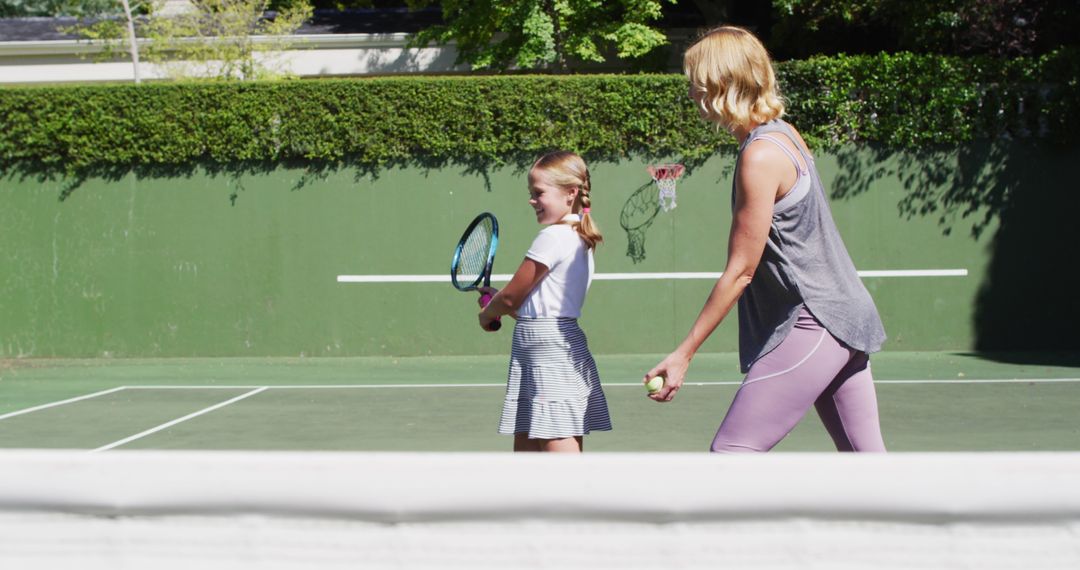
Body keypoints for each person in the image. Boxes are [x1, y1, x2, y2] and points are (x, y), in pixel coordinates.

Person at [644, 26, 887, 453]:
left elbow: (741, 271)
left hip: (818, 320)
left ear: (723, 82)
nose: (691, 92)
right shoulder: (784, 134)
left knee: (732, 454)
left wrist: (683, 354)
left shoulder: (760, 155)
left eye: (696, 81)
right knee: (866, 462)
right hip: (846, 314)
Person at [478, 151, 612, 452]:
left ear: (570, 193)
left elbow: (512, 296)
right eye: (531, 193)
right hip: (540, 345)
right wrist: (500, 304)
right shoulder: (579, 236)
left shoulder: (552, 237)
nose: (532, 200)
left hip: (549, 352)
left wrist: (488, 312)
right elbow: (538, 307)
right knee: (529, 457)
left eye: (539, 193)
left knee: (557, 459)